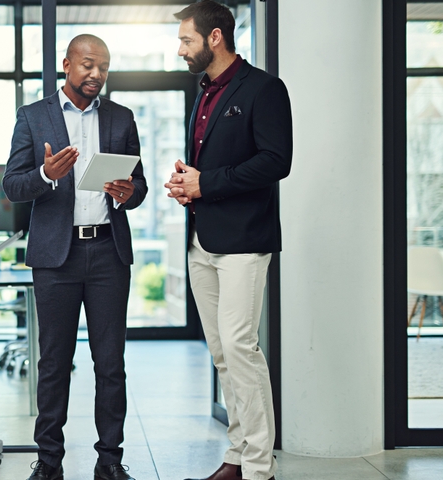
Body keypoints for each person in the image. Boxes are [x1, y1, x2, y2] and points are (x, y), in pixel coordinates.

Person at [2, 34, 147, 480]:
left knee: (110, 363)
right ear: (67, 64)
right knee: (54, 362)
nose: (96, 75)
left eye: (103, 67)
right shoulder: (33, 116)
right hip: (55, 257)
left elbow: (137, 186)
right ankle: (49, 463)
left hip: (107, 252)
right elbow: (12, 186)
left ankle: (109, 461)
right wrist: (46, 174)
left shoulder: (121, 117)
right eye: (87, 65)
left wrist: (128, 193)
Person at [163, 2, 292, 480]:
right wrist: (186, 182)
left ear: (214, 37)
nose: (180, 50)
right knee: (221, 353)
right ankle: (237, 456)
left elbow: (276, 161)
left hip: (244, 241)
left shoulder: (264, 88)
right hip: (203, 240)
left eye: (186, 40)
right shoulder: (203, 93)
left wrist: (206, 183)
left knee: (241, 348)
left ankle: (260, 468)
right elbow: (211, 165)